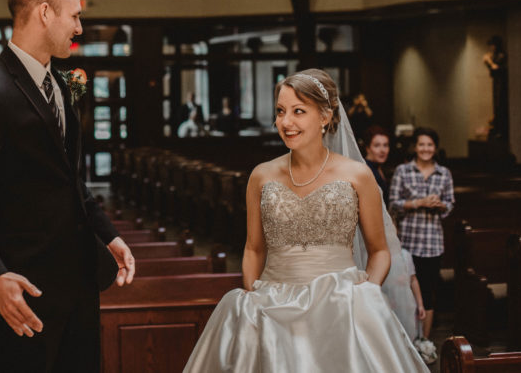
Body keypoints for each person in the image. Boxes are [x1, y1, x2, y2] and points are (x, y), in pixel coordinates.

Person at [0, 0, 136, 373]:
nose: (79, 27)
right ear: (45, 12)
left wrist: (107, 234)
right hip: (21, 290)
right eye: (74, 15)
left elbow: (68, 178)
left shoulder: (60, 85)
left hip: (77, 285)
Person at [183, 69, 424, 372]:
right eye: (281, 111)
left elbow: (379, 251)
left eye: (298, 111)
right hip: (273, 306)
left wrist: (365, 296)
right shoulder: (261, 175)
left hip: (342, 307)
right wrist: (256, 298)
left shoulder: (357, 176)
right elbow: (253, 249)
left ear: (325, 117)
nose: (286, 122)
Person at [389, 126, 454, 347]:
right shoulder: (403, 171)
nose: (426, 149)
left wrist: (440, 205)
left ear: (435, 148)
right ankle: (404, 340)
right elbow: (393, 204)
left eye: (430, 145)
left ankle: (424, 341)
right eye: (421, 144)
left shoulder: (444, 173)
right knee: (404, 290)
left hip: (433, 243)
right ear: (415, 147)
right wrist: (418, 202)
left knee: (427, 292)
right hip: (408, 243)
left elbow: (449, 205)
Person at [363, 125, 391, 204]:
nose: (382, 150)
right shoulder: (366, 170)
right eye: (377, 145)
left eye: (385, 145)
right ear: (368, 148)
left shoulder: (379, 168)